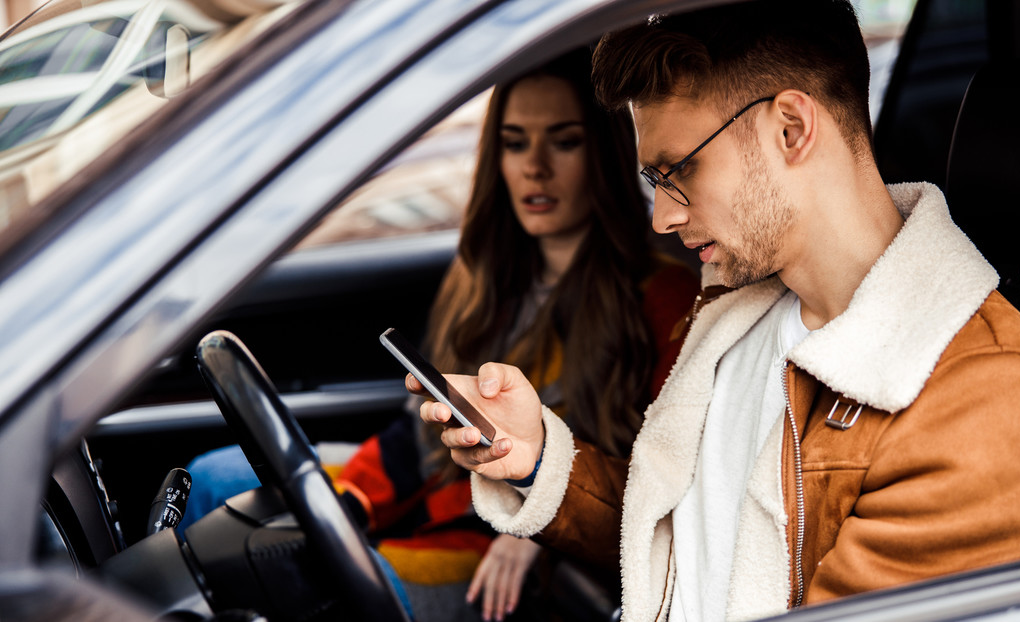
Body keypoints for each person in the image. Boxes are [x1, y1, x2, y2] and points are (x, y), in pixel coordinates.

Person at [412, 2, 1020, 621]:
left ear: (791, 128)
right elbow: (695, 535)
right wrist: (538, 459)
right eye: (655, 181)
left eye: (679, 171)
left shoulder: (984, 405)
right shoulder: (740, 315)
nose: (663, 217)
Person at [183, 48, 699, 622]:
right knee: (210, 477)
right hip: (439, 490)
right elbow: (419, 436)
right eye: (514, 141)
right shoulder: (485, 276)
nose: (535, 167)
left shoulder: (663, 297)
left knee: (315, 574)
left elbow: (660, 478)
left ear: (602, 154)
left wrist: (540, 521)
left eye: (564, 140)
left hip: (515, 543)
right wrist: (356, 498)